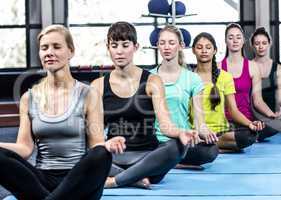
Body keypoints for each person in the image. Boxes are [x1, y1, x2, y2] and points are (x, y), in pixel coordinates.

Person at [0, 24, 125, 200]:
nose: (49, 52)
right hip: (42, 181)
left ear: (71, 52)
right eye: (44, 48)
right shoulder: (29, 98)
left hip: (79, 181)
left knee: (101, 154)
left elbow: (95, 146)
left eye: (56, 47)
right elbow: (24, 148)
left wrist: (108, 145)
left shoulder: (89, 94)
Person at [91, 21, 200, 189]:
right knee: (77, 149)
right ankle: (134, 178)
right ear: (108, 47)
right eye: (114, 45)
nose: (119, 51)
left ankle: (116, 180)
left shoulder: (152, 81)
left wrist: (181, 132)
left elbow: (165, 125)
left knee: (177, 146)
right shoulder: (97, 85)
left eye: (125, 45)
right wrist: (104, 145)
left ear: (135, 47)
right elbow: (96, 133)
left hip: (147, 158)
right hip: (113, 158)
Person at [150, 25, 218, 168]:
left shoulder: (193, 79)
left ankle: (170, 162)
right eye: (162, 43)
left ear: (180, 46)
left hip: (182, 140)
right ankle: (173, 162)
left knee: (211, 151)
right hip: (155, 142)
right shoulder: (148, 77)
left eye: (171, 43)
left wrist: (205, 132)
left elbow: (200, 121)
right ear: (157, 46)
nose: (166, 47)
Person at [190, 32, 263, 153]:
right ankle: (211, 144)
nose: (204, 51)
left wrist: (250, 124)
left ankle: (211, 144)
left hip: (221, 133)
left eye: (208, 47)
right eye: (199, 47)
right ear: (193, 50)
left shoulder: (225, 77)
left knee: (250, 135)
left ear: (214, 51)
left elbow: (233, 111)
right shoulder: (188, 77)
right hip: (197, 131)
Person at [220, 23, 269, 151]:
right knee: (246, 137)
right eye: (230, 37)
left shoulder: (253, 67)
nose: (235, 40)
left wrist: (272, 115)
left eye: (238, 37)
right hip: (224, 121)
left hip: (245, 121)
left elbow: (257, 100)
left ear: (243, 41)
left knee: (253, 133)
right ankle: (218, 141)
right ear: (226, 41)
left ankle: (224, 142)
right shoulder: (218, 67)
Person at [251, 27, 281, 136]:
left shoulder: (279, 69)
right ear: (253, 45)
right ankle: (258, 131)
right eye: (257, 43)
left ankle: (274, 128)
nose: (261, 46)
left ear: (269, 44)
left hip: (273, 118)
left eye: (264, 43)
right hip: (253, 117)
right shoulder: (247, 67)